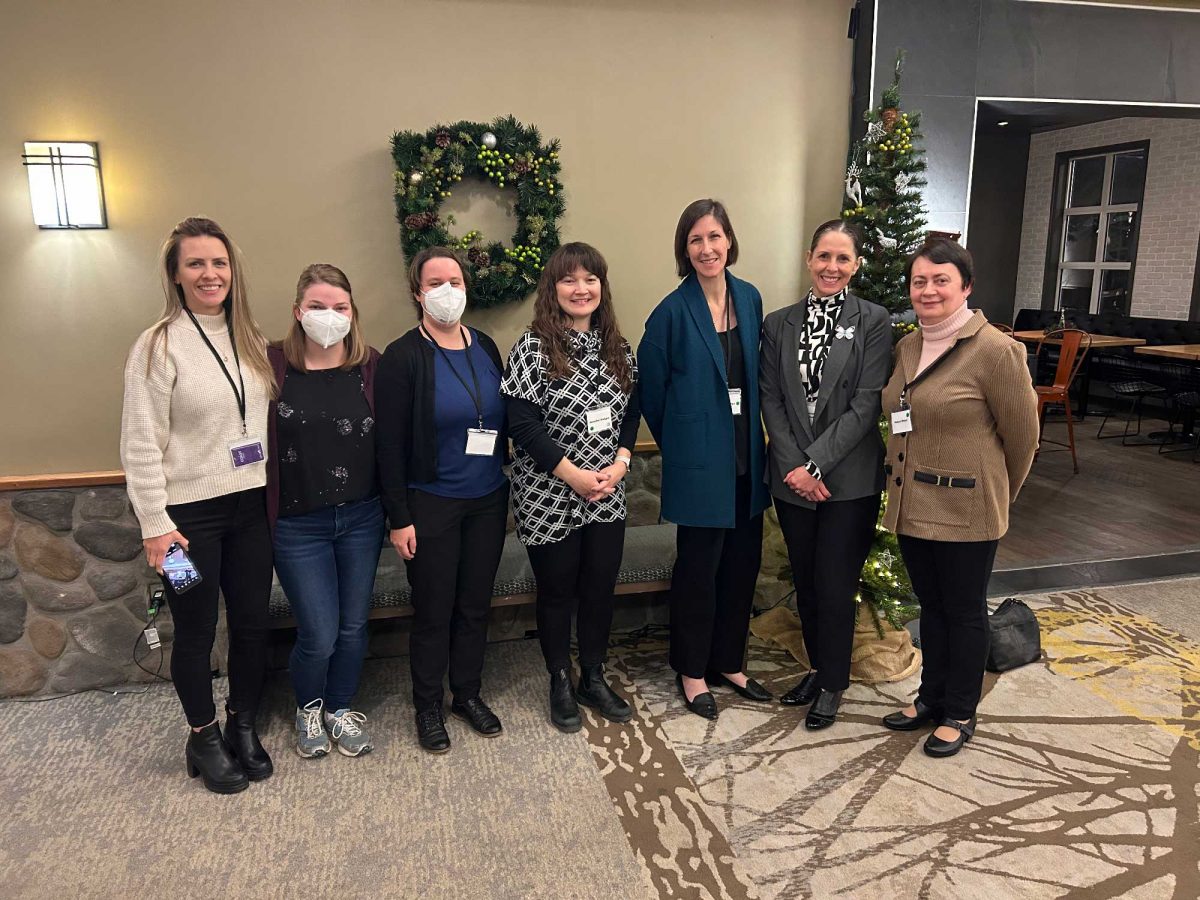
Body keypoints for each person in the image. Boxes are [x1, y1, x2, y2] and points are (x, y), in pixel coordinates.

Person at [121, 216, 275, 793]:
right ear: (175, 274)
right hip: (184, 523)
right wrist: (154, 525)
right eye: (196, 264)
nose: (210, 274)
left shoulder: (251, 337)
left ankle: (242, 724)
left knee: (253, 623)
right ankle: (203, 736)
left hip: (250, 510)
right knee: (195, 627)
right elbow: (140, 442)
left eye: (219, 263)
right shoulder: (158, 344)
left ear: (232, 271)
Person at [880, 238, 1038, 757]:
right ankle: (931, 698)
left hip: (967, 510)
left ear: (966, 286)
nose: (928, 290)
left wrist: (997, 498)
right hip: (912, 503)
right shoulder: (908, 347)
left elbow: (1023, 439)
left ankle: (960, 711)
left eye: (940, 280)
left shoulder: (996, 351)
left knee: (965, 612)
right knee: (932, 608)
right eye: (919, 281)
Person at [638, 199, 772, 720]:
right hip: (699, 466)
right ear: (685, 249)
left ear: (729, 241)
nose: (707, 248)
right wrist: (684, 442)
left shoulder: (750, 298)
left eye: (714, 236)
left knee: (742, 566)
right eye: (696, 239)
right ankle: (692, 671)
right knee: (699, 572)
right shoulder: (671, 312)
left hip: (747, 460)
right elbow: (651, 392)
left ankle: (729, 662)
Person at [375, 247, 509, 754]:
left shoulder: (487, 347)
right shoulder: (403, 356)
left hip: (487, 498)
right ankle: (428, 705)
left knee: (475, 605)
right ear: (418, 293)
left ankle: (467, 694)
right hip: (431, 503)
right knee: (434, 610)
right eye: (435, 283)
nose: (447, 290)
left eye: (455, 281)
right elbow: (388, 446)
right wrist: (398, 517)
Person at [501, 242, 639, 733]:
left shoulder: (618, 347)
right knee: (557, 590)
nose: (581, 289)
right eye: (569, 279)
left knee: (600, 587)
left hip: (606, 490)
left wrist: (621, 463)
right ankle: (560, 678)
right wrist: (573, 475)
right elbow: (522, 424)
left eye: (590, 279)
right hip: (549, 493)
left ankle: (593, 678)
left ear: (602, 286)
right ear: (552, 288)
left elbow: (631, 413)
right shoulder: (532, 347)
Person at [760, 220, 890, 729]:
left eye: (842, 258)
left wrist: (814, 464)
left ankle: (834, 682)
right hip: (793, 480)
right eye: (824, 257)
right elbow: (771, 398)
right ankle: (818, 669)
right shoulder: (779, 323)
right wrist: (795, 467)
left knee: (836, 584)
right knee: (809, 583)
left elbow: (866, 404)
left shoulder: (873, 320)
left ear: (855, 265)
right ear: (808, 259)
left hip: (848, 480)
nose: (831, 267)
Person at [266, 264, 385, 759]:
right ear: (298, 311)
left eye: (339, 307)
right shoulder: (271, 364)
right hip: (298, 525)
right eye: (317, 307)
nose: (329, 316)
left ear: (352, 312)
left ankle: (339, 706)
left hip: (361, 517)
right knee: (318, 632)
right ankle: (308, 707)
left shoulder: (370, 365)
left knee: (354, 626)